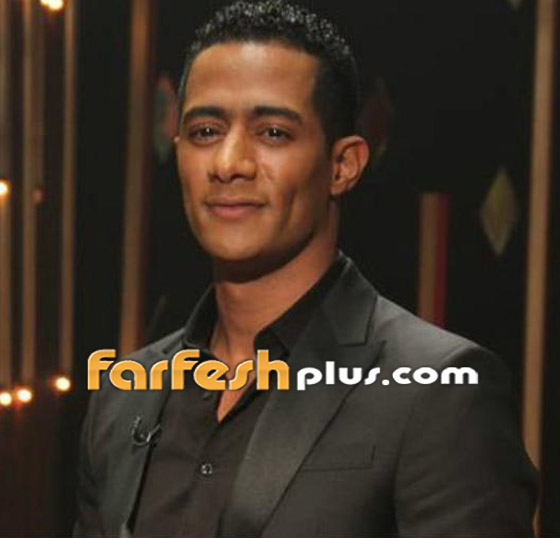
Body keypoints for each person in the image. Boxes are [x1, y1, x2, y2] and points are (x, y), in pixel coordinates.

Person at [73, 1, 538, 536]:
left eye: (272, 132)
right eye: (205, 131)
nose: (228, 163)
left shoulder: (440, 393)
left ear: (343, 165)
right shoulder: (122, 396)